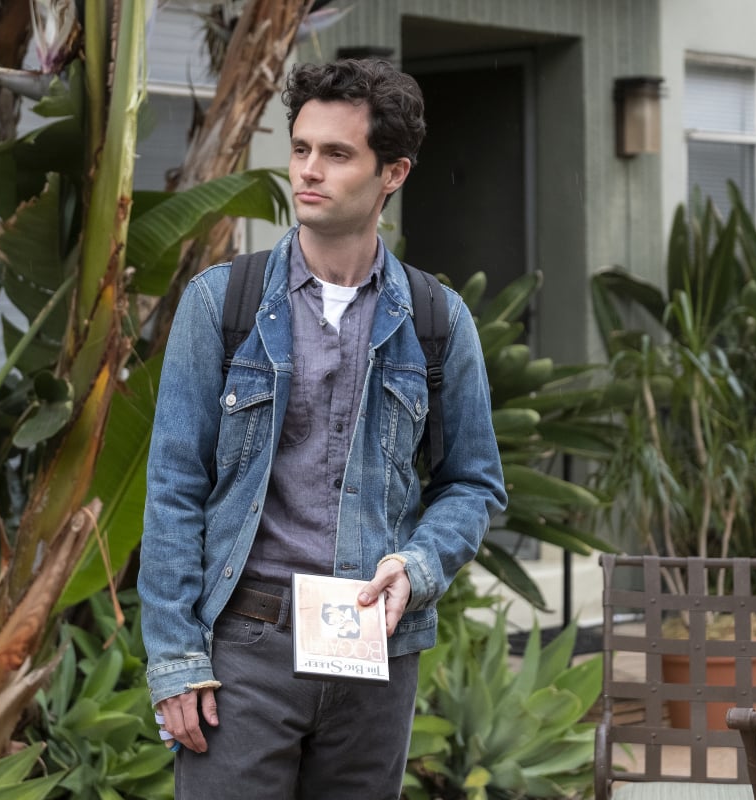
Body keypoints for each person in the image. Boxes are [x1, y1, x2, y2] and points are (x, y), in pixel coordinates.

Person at [138, 57, 507, 800]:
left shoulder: (437, 322)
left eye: (337, 154)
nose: (308, 170)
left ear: (392, 173)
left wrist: (419, 567)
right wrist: (177, 658)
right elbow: (175, 487)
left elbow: (473, 484)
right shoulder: (223, 304)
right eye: (301, 148)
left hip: (375, 652)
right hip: (245, 650)